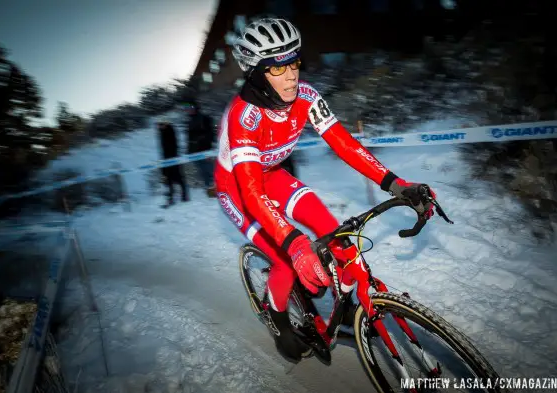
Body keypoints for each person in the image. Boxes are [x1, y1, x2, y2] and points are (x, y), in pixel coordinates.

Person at [213, 18, 436, 363]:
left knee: (333, 233)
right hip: (239, 189)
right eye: (277, 67)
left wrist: (394, 182)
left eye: (294, 62)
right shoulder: (244, 118)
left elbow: (343, 144)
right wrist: (295, 243)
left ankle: (345, 304)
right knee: (286, 259)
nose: (291, 75)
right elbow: (251, 192)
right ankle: (278, 315)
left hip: (271, 174)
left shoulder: (306, 95)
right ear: (256, 72)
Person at [184, 102, 217, 197]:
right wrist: (188, 151)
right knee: (203, 172)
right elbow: (189, 138)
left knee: (209, 170)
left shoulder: (204, 118)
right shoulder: (190, 121)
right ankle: (210, 191)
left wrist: (207, 146)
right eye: (187, 108)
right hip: (194, 152)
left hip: (205, 150)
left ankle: (220, 189)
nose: (189, 110)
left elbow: (211, 134)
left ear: (196, 108)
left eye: (190, 107)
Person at [157, 119, 189, 207]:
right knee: (169, 179)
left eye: (161, 124)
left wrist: (171, 158)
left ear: (165, 124)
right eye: (158, 125)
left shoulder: (170, 130)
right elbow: (163, 147)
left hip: (173, 158)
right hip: (166, 159)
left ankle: (184, 196)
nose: (159, 126)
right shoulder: (162, 132)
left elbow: (173, 145)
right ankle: (171, 198)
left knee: (178, 178)